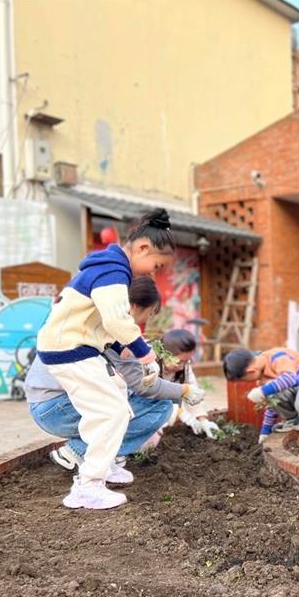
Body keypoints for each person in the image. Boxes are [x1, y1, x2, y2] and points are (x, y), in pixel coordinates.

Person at [35, 209, 174, 509]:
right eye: (155, 265)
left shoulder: (108, 267)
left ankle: (103, 464)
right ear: (142, 248)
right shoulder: (113, 270)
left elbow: (95, 319)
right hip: (70, 349)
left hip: (74, 346)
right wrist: (143, 352)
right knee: (111, 411)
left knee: (118, 395)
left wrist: (117, 346)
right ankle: (89, 485)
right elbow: (116, 319)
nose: (153, 273)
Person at [27, 277, 205, 479]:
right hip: (56, 407)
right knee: (156, 406)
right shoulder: (111, 328)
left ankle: (102, 459)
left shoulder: (92, 315)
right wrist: (185, 391)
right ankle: (79, 452)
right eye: (150, 312)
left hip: (49, 402)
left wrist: (200, 415)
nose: (145, 320)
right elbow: (143, 386)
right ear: (135, 306)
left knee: (124, 396)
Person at [223, 347, 299, 454]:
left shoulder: (277, 357)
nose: (247, 383)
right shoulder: (262, 379)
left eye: (244, 380)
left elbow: (289, 379)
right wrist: (265, 432)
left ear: (250, 371)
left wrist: (263, 391)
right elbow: (272, 405)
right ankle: (294, 420)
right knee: (273, 392)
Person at [159, 329, 221, 439]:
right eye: (179, 362)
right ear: (164, 354)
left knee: (183, 389)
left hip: (169, 409)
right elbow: (149, 399)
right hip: (149, 412)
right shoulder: (151, 368)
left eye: (186, 361)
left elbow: (193, 392)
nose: (182, 366)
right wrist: (180, 413)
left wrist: (203, 420)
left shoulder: (184, 366)